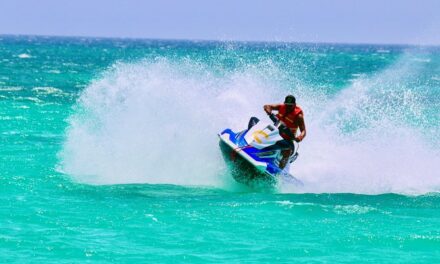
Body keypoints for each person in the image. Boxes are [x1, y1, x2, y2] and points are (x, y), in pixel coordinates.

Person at [263, 95, 306, 169]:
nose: (288, 107)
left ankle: (279, 171)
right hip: (275, 133)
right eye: (287, 105)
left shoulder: (298, 116)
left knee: (287, 150)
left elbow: (303, 131)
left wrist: (300, 137)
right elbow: (267, 106)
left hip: (287, 139)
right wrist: (269, 111)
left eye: (290, 106)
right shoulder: (281, 106)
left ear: (294, 105)